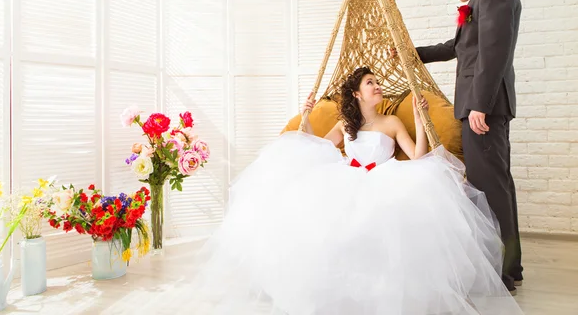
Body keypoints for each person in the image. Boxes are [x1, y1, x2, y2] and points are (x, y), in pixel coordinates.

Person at [164, 67, 524, 315]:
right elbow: (314, 146)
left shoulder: (393, 121)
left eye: (377, 82)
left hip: (384, 178)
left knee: (388, 218)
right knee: (316, 217)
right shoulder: (346, 124)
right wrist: (304, 116)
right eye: (370, 83)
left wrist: (420, 118)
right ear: (357, 93)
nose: (377, 86)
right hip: (344, 177)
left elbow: (416, 156)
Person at [411, 0, 523, 294]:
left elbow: (494, 53)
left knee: (493, 189)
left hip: (483, 110)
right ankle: (503, 264)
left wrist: (479, 106)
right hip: (475, 108)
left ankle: (505, 270)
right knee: (486, 186)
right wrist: (413, 52)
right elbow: (457, 47)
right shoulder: (476, 4)